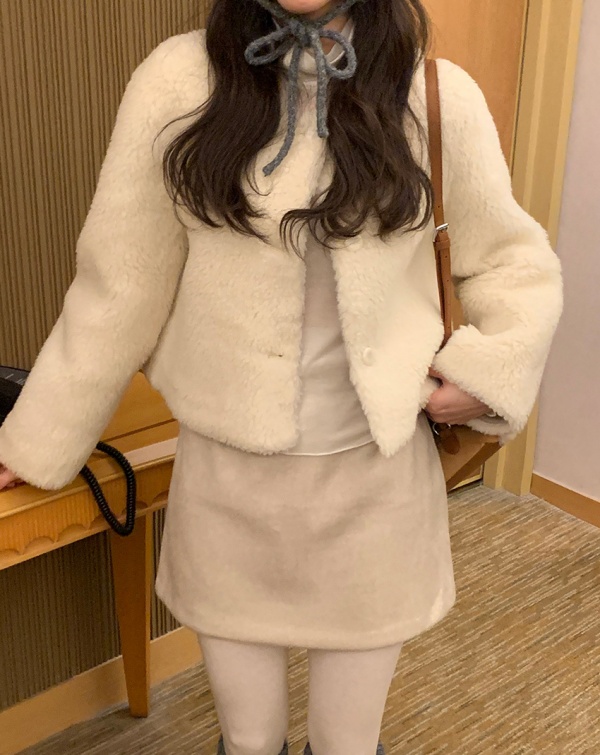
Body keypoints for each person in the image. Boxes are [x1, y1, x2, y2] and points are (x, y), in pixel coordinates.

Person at [0, 0, 564, 753]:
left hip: (375, 486)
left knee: (346, 744)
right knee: (248, 739)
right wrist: (36, 438)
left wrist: (489, 374)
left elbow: (512, 263)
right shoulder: (177, 83)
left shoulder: (434, 95)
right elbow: (119, 288)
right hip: (229, 488)